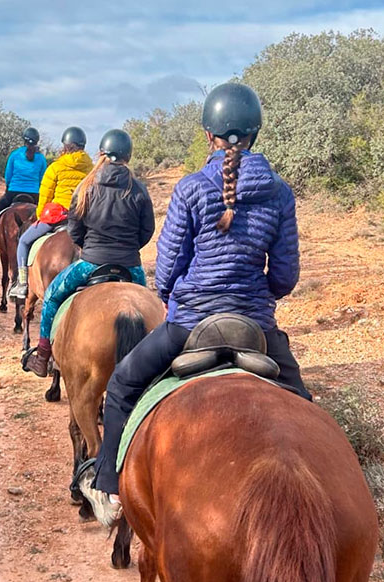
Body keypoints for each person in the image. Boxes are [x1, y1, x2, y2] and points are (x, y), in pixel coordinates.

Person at [75, 83, 312, 527]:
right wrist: (255, 296)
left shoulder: (189, 189)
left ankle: (109, 486)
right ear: (258, 132)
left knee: (124, 385)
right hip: (255, 326)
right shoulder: (280, 193)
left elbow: (166, 269)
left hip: (190, 325)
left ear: (208, 136)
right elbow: (284, 277)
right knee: (307, 410)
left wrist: (175, 299)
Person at [23, 129, 155, 377]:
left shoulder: (86, 187)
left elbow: (74, 229)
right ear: (128, 156)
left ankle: (42, 356)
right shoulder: (138, 189)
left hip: (91, 263)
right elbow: (147, 230)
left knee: (51, 297)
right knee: (151, 308)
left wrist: (91, 247)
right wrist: (128, 248)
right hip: (130, 267)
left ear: (101, 154)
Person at [0, 127, 47, 252]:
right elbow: (42, 178)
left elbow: (8, 175)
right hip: (35, 194)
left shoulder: (15, 154)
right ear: (37, 142)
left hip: (14, 192)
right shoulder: (41, 159)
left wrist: (8, 187)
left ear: (23, 140)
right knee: (44, 217)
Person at [8, 202, 69, 299]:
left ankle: (22, 283)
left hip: (55, 214)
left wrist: (39, 214)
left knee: (23, 241)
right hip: (76, 217)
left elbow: (45, 195)